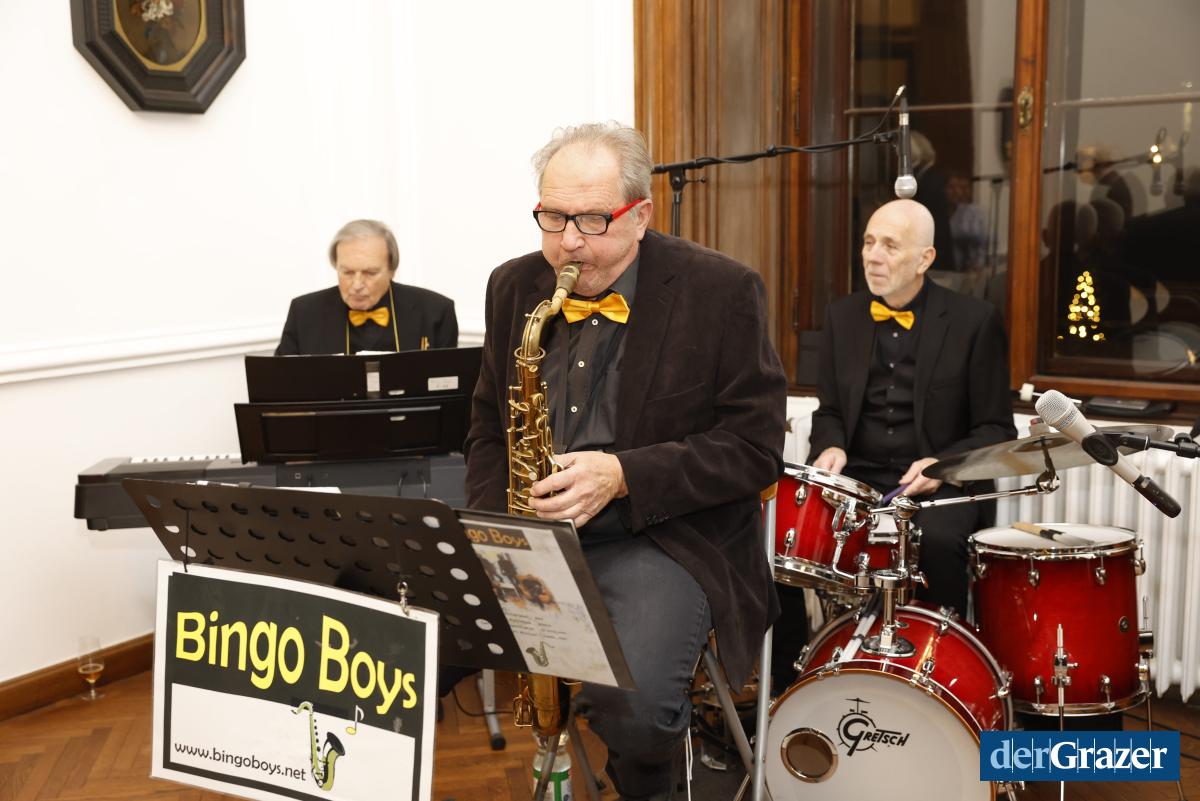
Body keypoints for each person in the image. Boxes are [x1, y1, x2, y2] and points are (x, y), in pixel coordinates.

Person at [463, 122, 786, 800]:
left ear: (641, 215)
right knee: (398, 641)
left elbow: (755, 448)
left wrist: (621, 475)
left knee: (634, 707)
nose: (568, 242)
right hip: (534, 534)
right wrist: (499, 525)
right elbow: (490, 426)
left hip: (664, 539)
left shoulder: (721, 290)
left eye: (591, 219)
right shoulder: (513, 285)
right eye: (553, 217)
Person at [776, 199, 1014, 688]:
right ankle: (791, 680)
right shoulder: (843, 316)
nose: (873, 256)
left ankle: (938, 679)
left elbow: (996, 430)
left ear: (925, 258)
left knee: (939, 542)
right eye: (868, 242)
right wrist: (831, 445)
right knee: (780, 543)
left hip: (939, 487)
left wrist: (941, 465)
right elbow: (831, 411)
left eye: (889, 245)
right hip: (859, 480)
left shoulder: (975, 321)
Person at [275, 219, 458, 355]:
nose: (357, 285)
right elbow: (281, 386)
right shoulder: (304, 313)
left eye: (370, 273)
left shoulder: (436, 312)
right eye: (347, 272)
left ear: (392, 270)